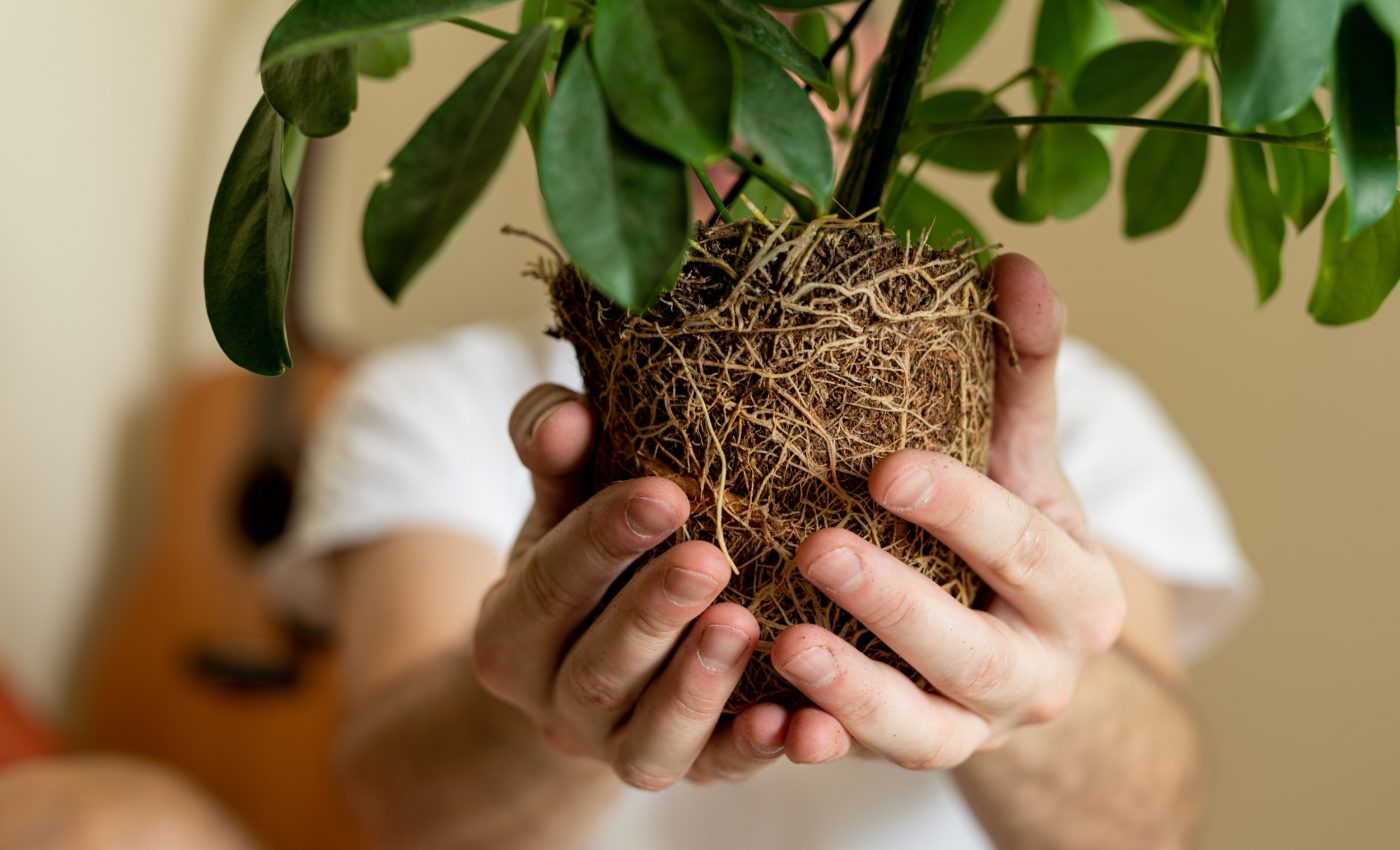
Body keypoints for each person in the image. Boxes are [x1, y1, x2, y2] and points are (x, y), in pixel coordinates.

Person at [269, 255, 1253, 850]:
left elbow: (1149, 822)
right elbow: (398, 808)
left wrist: (1035, 691)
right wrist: (547, 705)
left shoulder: (1064, 407)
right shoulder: (431, 396)